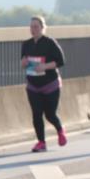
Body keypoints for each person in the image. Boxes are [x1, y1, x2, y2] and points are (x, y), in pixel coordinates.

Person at [20, 16, 67, 152]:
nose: (33, 29)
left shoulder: (50, 43)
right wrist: (22, 64)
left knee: (50, 114)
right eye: (31, 27)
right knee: (36, 114)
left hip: (50, 84)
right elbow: (23, 62)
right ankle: (41, 142)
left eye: (36, 26)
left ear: (42, 28)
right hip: (33, 84)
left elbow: (61, 61)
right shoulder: (26, 44)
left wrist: (45, 66)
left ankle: (60, 130)